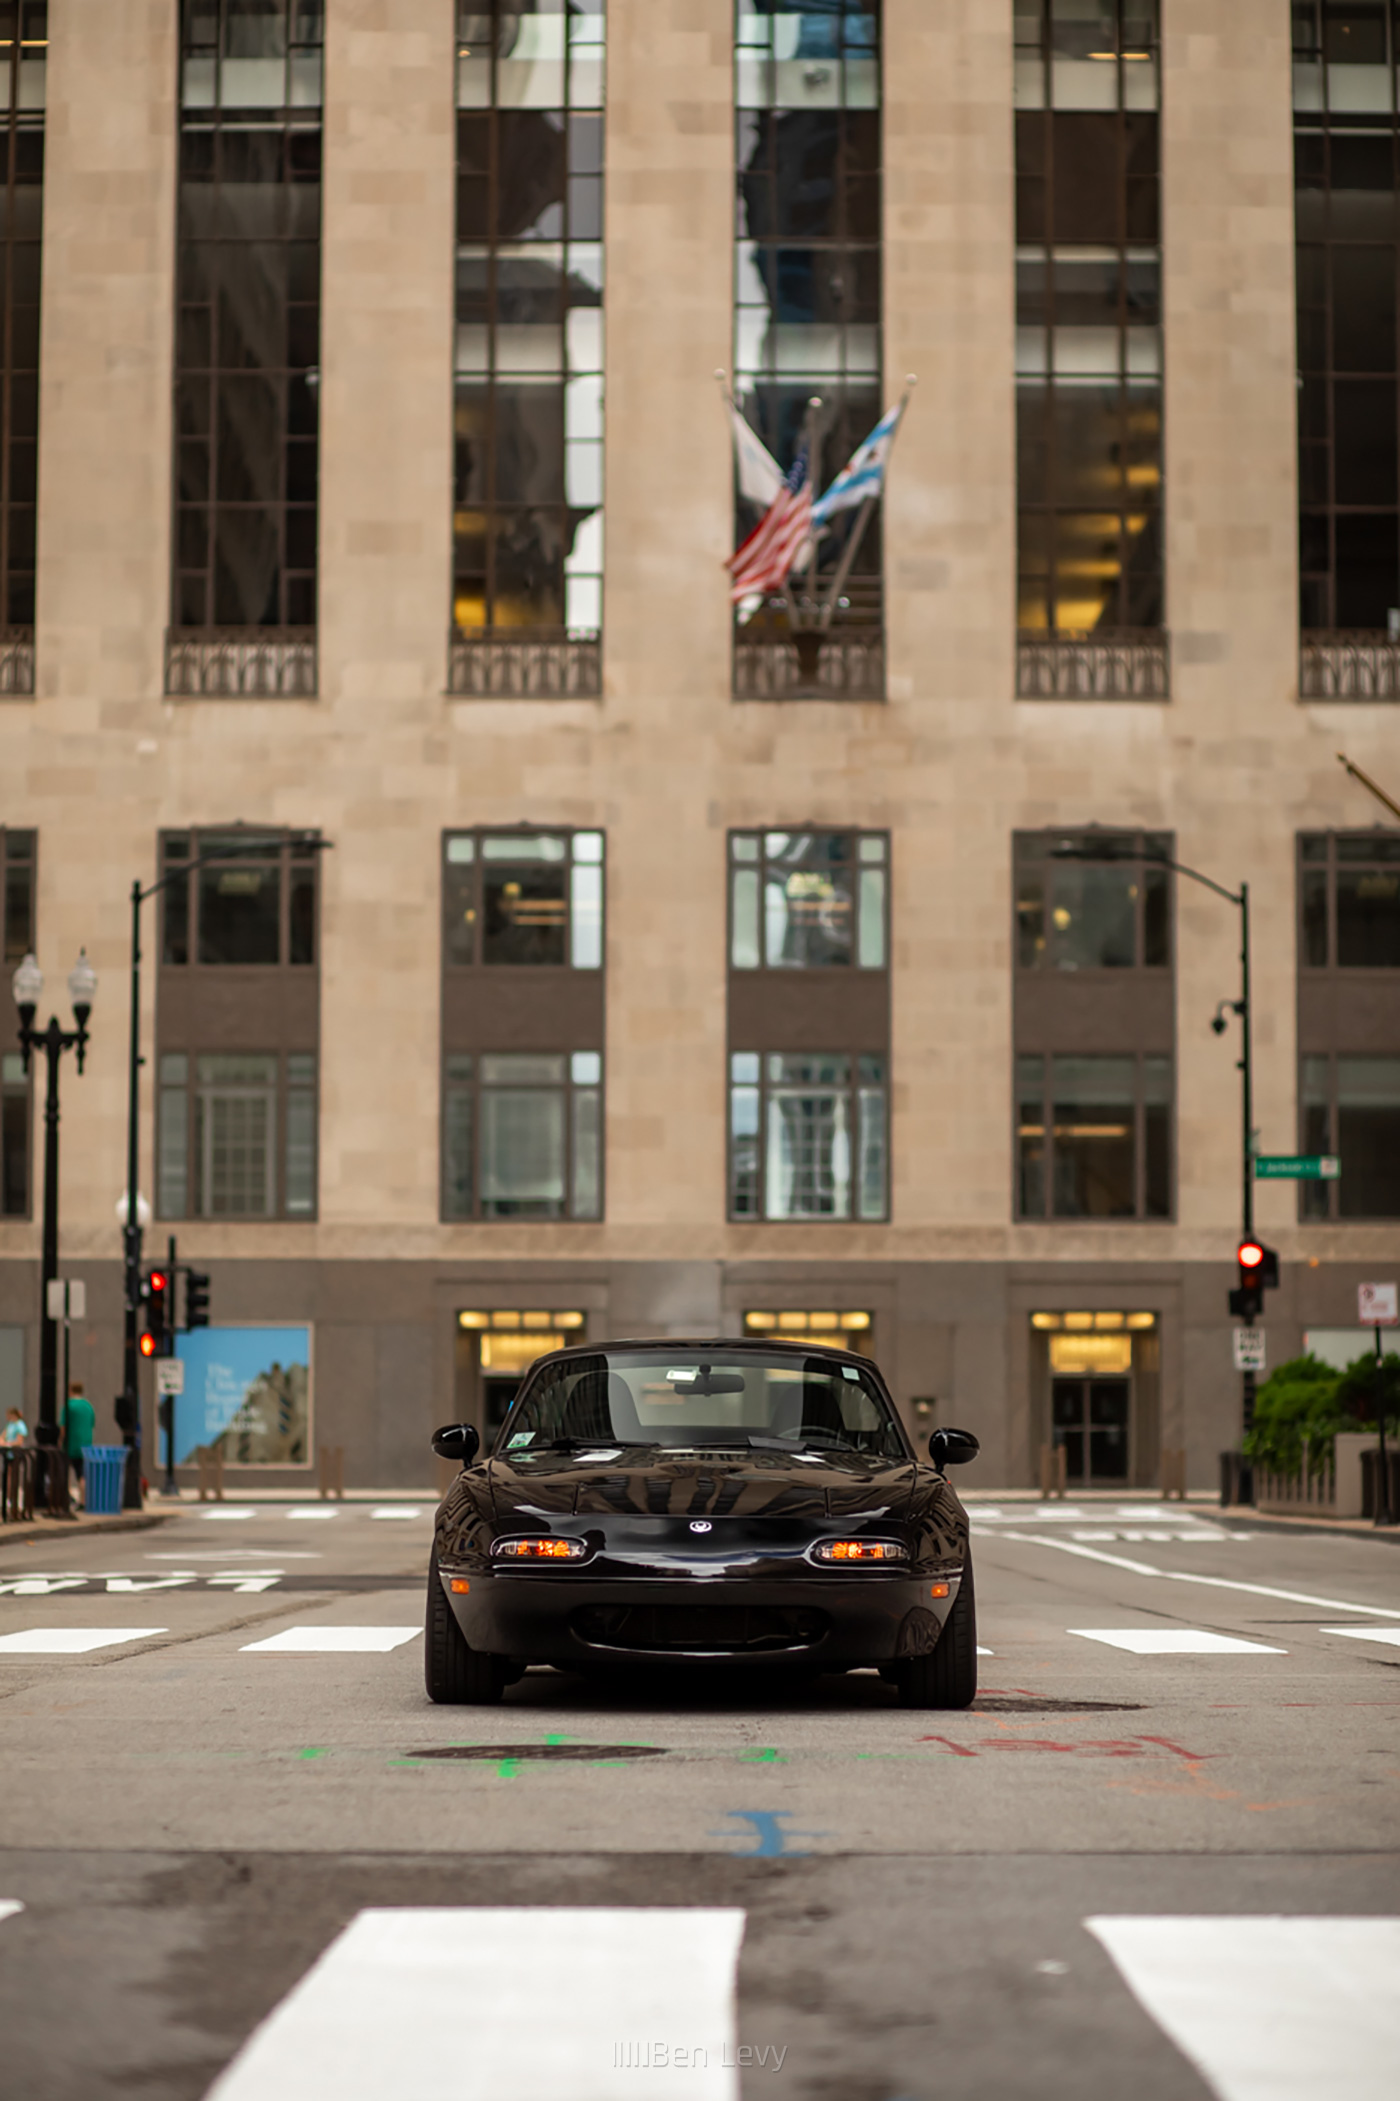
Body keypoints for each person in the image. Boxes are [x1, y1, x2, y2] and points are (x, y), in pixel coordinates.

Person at [63, 1383, 96, 1501]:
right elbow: (92, 1424)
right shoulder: (88, 1406)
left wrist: (60, 1441)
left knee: (64, 1471)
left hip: (70, 1444)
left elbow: (63, 1427)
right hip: (86, 1445)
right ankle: (83, 1500)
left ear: (70, 1390)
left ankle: (66, 1497)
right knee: (81, 1474)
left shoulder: (69, 1405)